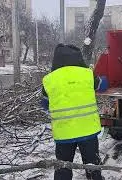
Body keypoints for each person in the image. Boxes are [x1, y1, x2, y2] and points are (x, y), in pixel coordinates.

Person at [41, 44, 108, 180]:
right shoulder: (87, 74)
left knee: (63, 167)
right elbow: (102, 86)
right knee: (92, 165)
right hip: (87, 131)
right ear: (78, 58)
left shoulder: (49, 80)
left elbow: (45, 105)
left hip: (64, 133)